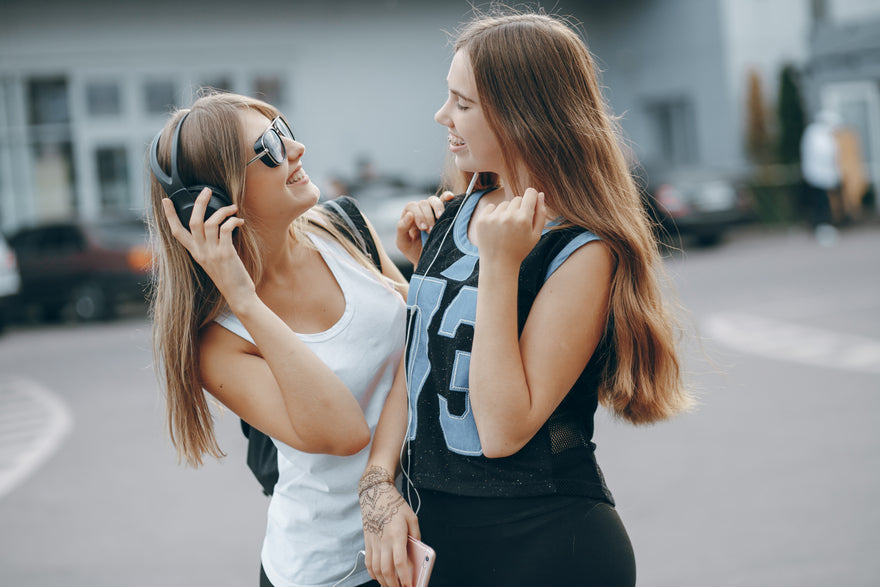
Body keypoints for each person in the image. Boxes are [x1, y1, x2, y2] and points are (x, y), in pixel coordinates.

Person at [358, 8, 694, 587]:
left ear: (522, 115)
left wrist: (498, 265)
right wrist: (378, 488)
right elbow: (422, 371)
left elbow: (503, 429)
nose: (443, 116)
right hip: (440, 543)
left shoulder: (581, 248)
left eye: (462, 103)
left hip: (546, 546)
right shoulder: (456, 211)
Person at [146, 90, 410, 587]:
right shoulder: (218, 343)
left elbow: (420, 345)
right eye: (268, 146)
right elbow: (344, 432)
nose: (296, 149)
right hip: (333, 572)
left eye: (284, 129)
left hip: (417, 536)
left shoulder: (344, 226)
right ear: (215, 199)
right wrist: (245, 299)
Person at [800, 109, 842, 245]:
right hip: (817, 177)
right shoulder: (816, 135)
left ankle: (825, 227)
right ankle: (822, 228)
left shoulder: (823, 135)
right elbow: (823, 157)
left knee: (825, 203)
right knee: (821, 204)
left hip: (823, 176)